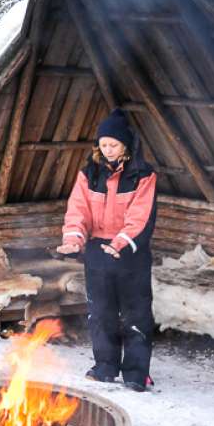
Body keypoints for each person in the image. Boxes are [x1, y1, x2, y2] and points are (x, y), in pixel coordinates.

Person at [56, 108, 158, 392]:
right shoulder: (89, 174)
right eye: (103, 144)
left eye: (113, 144)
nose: (108, 149)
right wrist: (74, 239)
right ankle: (105, 367)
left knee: (136, 314)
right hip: (98, 252)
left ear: (125, 144)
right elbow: (78, 210)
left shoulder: (143, 176)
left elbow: (141, 217)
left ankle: (137, 373)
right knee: (100, 312)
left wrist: (120, 244)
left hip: (131, 254)